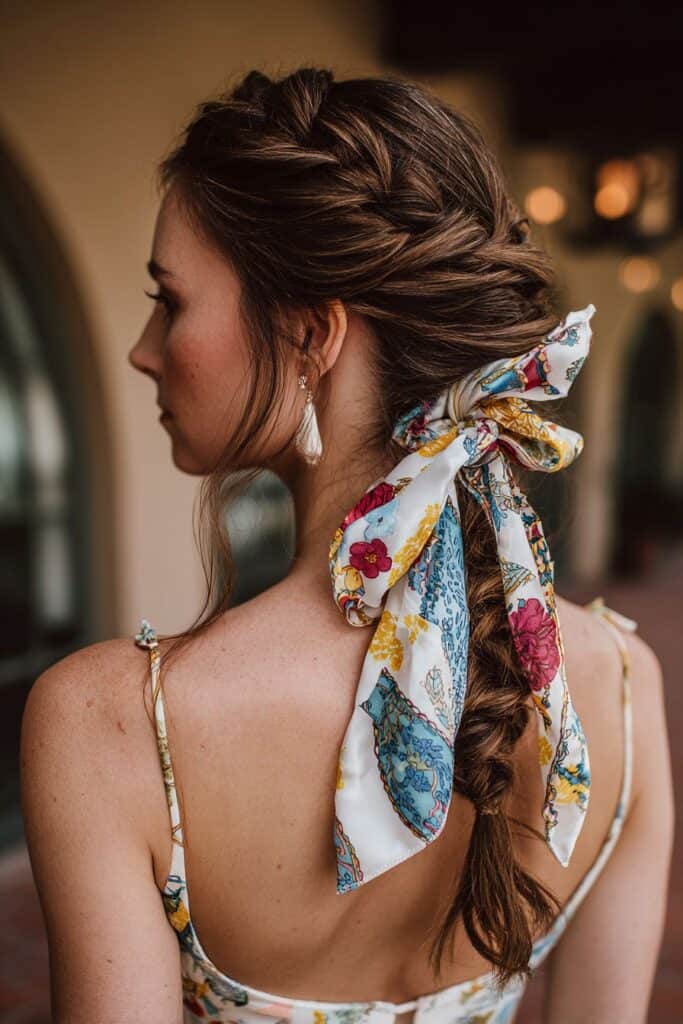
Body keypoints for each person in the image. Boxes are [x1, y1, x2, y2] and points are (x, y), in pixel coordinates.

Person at [20, 67, 674, 1024]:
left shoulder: (111, 727)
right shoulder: (620, 684)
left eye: (170, 300)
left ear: (309, 336)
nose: (143, 348)